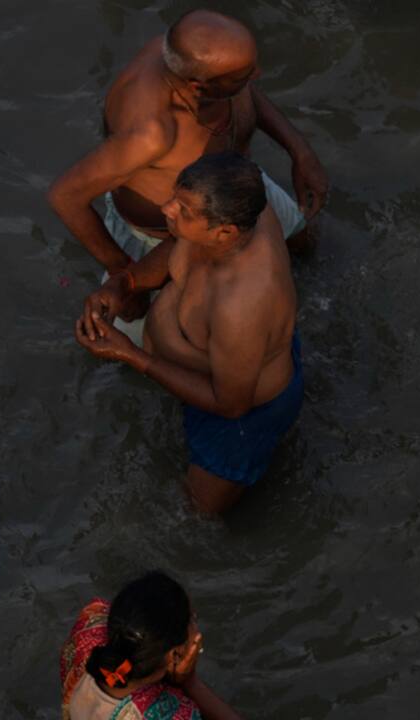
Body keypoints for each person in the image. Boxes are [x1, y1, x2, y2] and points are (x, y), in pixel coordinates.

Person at [48, 8, 327, 343]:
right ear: (197, 86)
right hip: (168, 234)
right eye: (244, 75)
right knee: (170, 341)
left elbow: (242, 88)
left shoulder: (198, 57)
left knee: (304, 242)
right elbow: (65, 196)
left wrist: (300, 150)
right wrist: (124, 273)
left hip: (237, 183)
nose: (258, 74)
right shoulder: (150, 132)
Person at [75, 152, 302, 514]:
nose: (166, 209)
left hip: (241, 418)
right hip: (217, 364)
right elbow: (175, 248)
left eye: (182, 209)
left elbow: (231, 405)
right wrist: (125, 283)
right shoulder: (230, 219)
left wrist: (131, 355)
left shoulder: (242, 303)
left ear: (224, 231)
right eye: (173, 198)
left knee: (195, 515)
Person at [61, 570, 242, 720]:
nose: (195, 625)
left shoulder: (87, 631)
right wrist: (190, 683)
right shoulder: (172, 714)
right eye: (192, 619)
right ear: (174, 655)